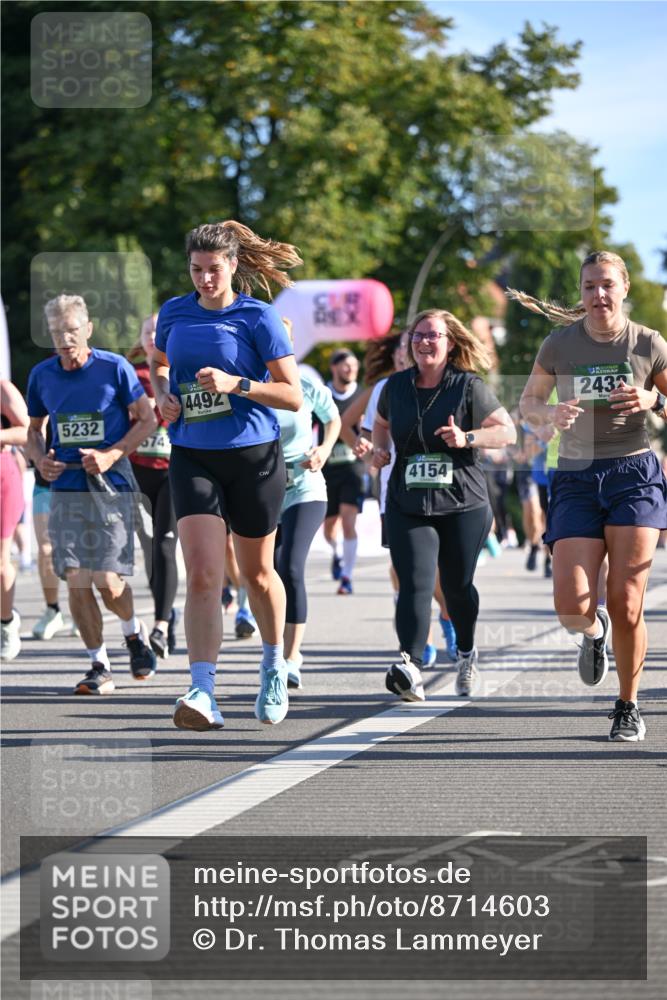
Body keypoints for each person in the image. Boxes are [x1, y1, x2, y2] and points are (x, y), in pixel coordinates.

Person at [150, 220, 303, 730]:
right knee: (202, 574)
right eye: (196, 270)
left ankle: (274, 663)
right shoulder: (174, 312)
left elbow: (292, 396)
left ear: (233, 266)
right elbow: (162, 362)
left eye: (213, 270)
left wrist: (238, 384)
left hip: (252, 455)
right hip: (192, 452)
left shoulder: (258, 317)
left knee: (257, 574)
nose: (204, 280)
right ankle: (202, 689)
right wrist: (164, 394)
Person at [516, 249, 667, 742]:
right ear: (581, 294)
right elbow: (529, 403)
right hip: (577, 474)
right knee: (570, 604)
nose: (598, 294)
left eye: (606, 284)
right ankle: (593, 633)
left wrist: (654, 399)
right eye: (588, 286)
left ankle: (627, 703)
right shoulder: (559, 344)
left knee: (626, 600)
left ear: (624, 288)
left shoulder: (648, 342)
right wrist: (549, 416)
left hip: (634, 473)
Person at [372, 309, 516, 701]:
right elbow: (381, 424)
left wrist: (467, 437)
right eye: (417, 335)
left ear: (450, 343)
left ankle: (466, 653)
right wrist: (379, 451)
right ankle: (411, 666)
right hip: (407, 500)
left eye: (433, 335)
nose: (423, 342)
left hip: (463, 503)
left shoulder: (469, 386)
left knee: (455, 586)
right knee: (414, 583)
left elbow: (507, 431)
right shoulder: (395, 387)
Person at [26, 295, 158, 693]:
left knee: (107, 580)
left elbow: (148, 419)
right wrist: (39, 459)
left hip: (110, 486)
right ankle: (98, 665)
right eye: (56, 332)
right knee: (78, 582)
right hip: (65, 488)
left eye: (71, 330)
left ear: (88, 329)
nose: (64, 339)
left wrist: (112, 453)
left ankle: (134, 633)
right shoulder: (42, 375)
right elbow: (34, 429)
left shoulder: (113, 368)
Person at [275, 318, 341, 688]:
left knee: (291, 566)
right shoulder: (250, 385)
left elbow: (332, 420)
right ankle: (273, 651)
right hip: (263, 489)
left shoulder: (305, 384)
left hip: (305, 486)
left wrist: (324, 450)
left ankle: (291, 656)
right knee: (265, 574)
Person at [127, 314, 179, 657]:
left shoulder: (182, 374)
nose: (153, 335)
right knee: (149, 550)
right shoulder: (130, 378)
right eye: (148, 331)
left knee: (164, 546)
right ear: (142, 338)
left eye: (159, 331)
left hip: (174, 473)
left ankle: (160, 625)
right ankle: (167, 610)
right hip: (138, 474)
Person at [322, 349, 366, 595]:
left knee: (349, 521)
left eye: (355, 366)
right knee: (329, 528)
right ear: (334, 368)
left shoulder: (362, 396)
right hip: (327, 468)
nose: (351, 370)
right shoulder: (324, 394)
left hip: (354, 468)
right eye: (346, 366)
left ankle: (347, 577)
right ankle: (337, 554)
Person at [0, 380, 29, 660]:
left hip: (2, 478)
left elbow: (26, 431)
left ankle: (6, 622)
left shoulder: (2, 389)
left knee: (0, 561)